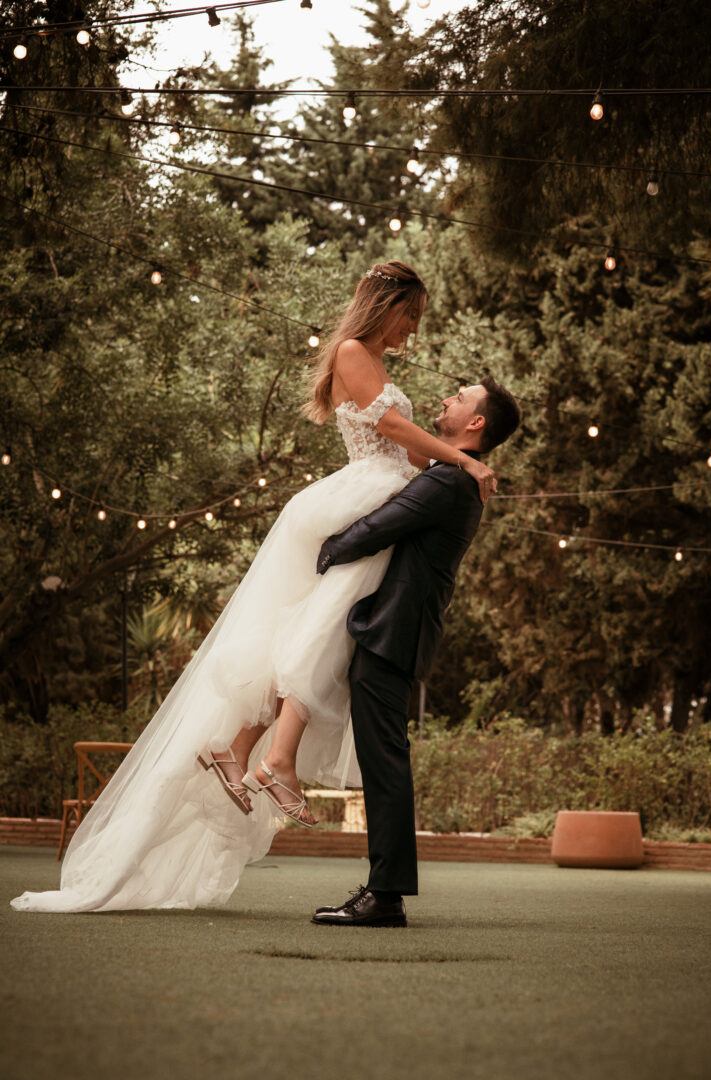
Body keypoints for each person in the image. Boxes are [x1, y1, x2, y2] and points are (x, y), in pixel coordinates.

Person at [10, 261, 495, 914]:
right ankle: (268, 757)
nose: (414, 329)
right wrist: (460, 457)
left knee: (315, 633)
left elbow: (407, 449)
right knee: (320, 630)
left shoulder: (376, 364)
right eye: (411, 315)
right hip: (358, 500)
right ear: (385, 305)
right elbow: (389, 431)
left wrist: (443, 466)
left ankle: (243, 749)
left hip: (380, 496)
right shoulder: (353, 351)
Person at [311, 377, 521, 927]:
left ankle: (385, 896)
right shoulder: (449, 474)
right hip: (396, 632)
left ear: (476, 422)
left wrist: (320, 550)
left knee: (384, 761)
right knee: (384, 759)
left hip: (393, 633)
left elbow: (376, 528)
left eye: (460, 397)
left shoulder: (449, 481)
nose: (447, 399)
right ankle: (385, 891)